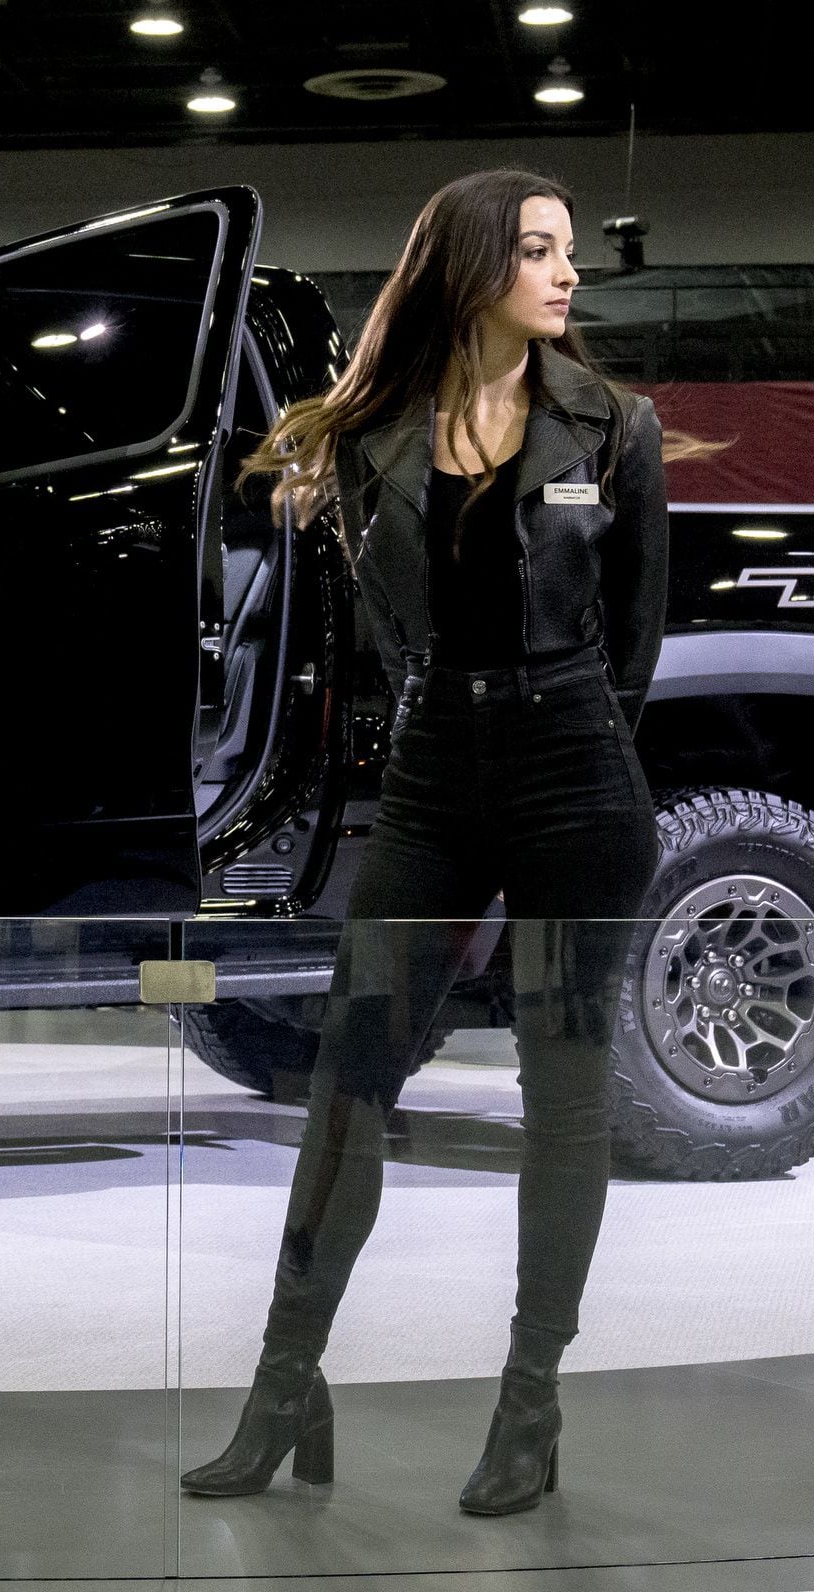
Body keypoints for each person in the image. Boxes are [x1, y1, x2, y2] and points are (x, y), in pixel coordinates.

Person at [189, 168, 668, 1517]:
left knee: (561, 1107)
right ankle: (285, 1386)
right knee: (346, 1091)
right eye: (537, 250)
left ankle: (531, 1409)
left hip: (578, 782)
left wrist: (578, 756)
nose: (566, 275)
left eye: (570, 253)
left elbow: (633, 649)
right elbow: (376, 641)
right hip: (433, 780)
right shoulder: (366, 437)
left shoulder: (616, 430)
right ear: (467, 266)